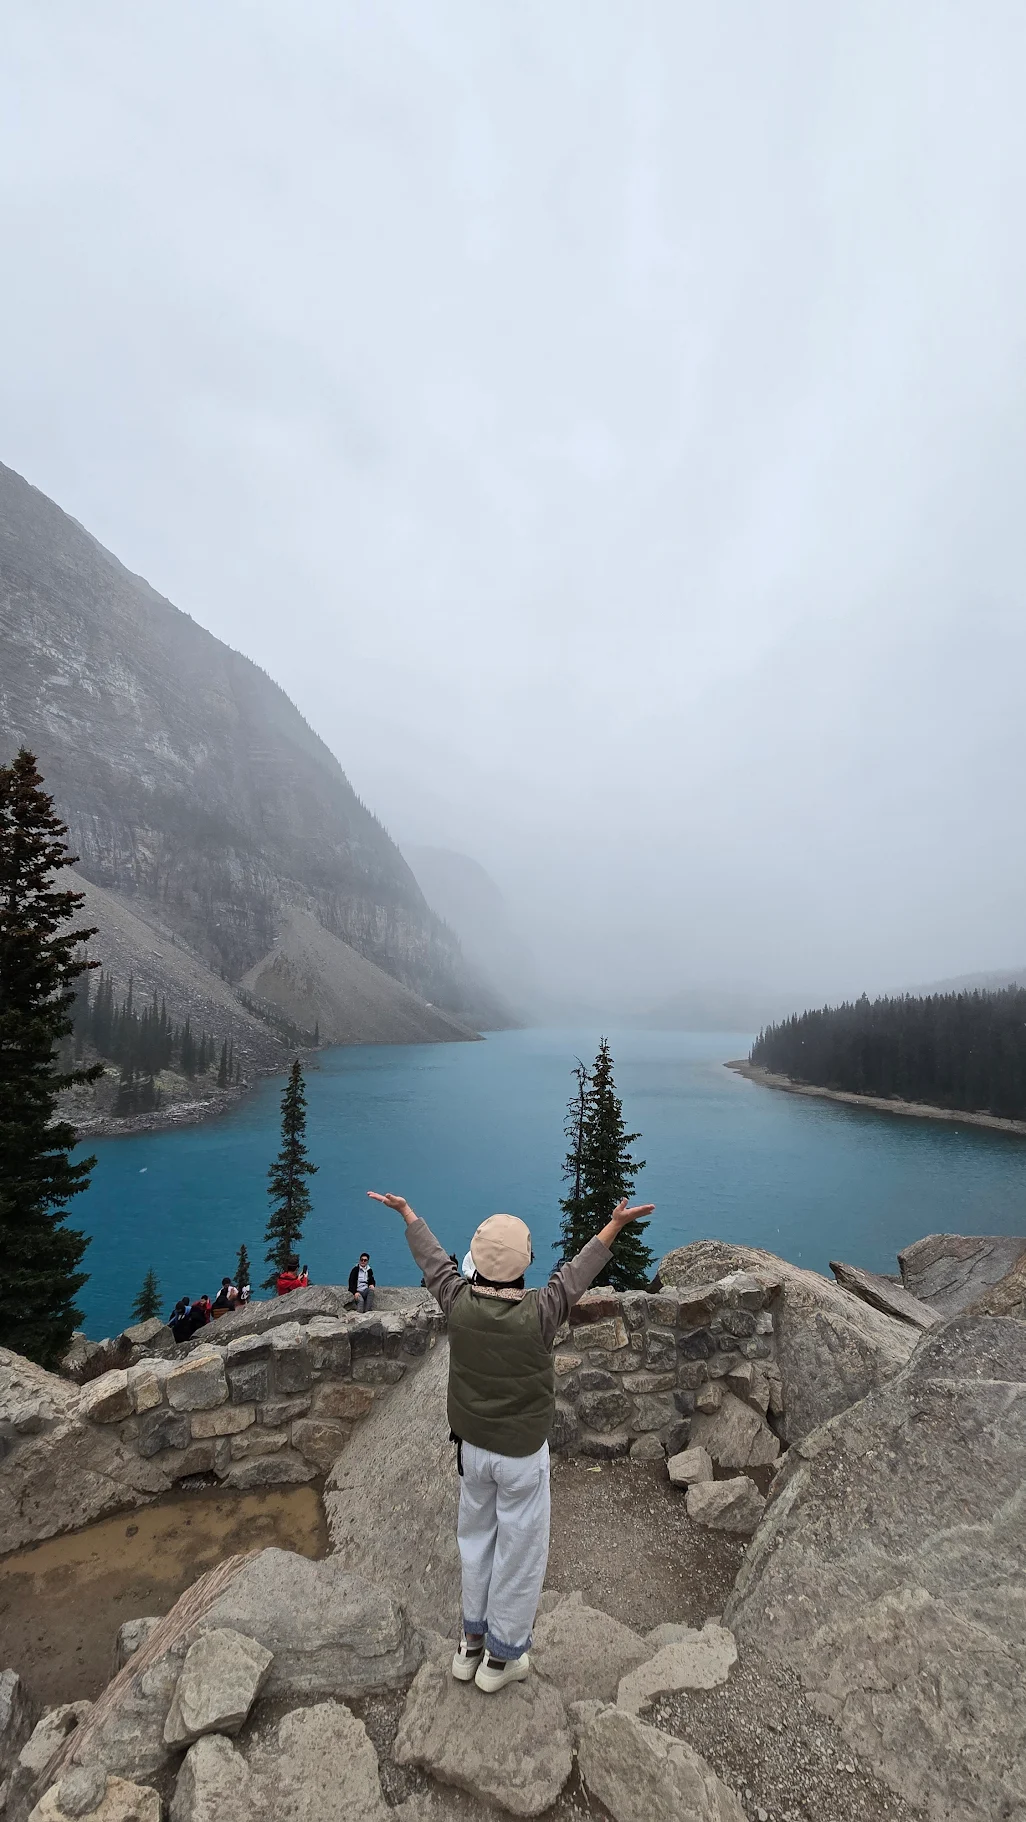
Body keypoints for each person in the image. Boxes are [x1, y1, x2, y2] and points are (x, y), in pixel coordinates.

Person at [367, 1188, 655, 1693]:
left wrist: (409, 1214)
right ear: (524, 1264)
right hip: (521, 1456)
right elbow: (577, 1275)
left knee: (475, 1543)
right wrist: (614, 1226)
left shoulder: (457, 1303)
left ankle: (468, 1646)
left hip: (472, 1452)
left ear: (475, 1262)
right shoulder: (540, 1313)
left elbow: (434, 1262)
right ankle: (502, 1659)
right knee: (519, 1555)